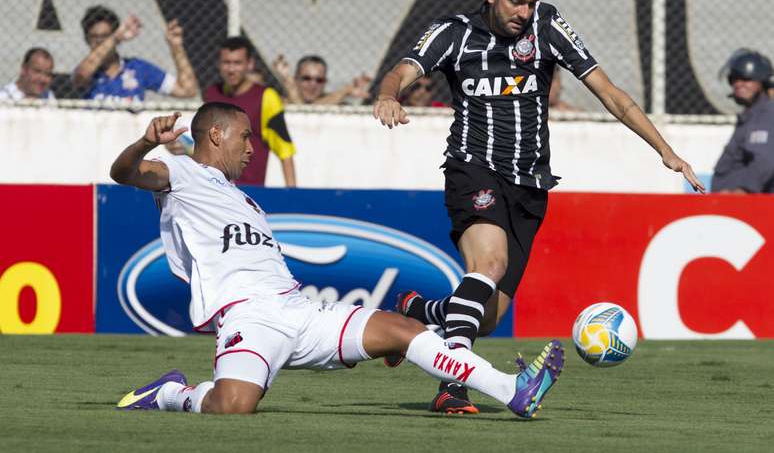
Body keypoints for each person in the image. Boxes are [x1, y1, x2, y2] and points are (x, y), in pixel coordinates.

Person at [374, 0, 705, 414]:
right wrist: (389, 94)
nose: (523, 13)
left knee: (487, 317)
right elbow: (404, 68)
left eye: (531, 3)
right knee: (488, 263)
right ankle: (453, 386)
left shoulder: (546, 26)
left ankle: (416, 311)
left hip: (530, 186)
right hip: (474, 169)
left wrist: (663, 149)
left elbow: (608, 90)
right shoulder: (454, 33)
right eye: (515, 2)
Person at [110, 104, 565, 417]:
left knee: (405, 330)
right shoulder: (184, 174)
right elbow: (125, 173)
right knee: (233, 407)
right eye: (246, 137)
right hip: (249, 318)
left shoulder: (246, 202)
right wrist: (144, 142)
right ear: (216, 133)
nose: (252, 148)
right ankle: (170, 393)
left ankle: (512, 389)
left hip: (298, 309)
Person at [204, 37, 296, 187]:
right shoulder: (212, 94)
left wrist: (293, 196)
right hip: (213, 189)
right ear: (218, 64)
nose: (231, 69)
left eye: (237, 63)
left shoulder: (267, 97)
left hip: (249, 193)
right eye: (226, 63)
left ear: (250, 64)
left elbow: (285, 150)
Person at [73, 5, 198, 103]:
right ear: (86, 39)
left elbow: (187, 90)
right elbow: (82, 75)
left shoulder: (138, 68)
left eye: (105, 36)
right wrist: (115, 38)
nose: (100, 41)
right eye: (94, 37)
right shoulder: (86, 70)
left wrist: (176, 47)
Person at [711, 49, 774, 193]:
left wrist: (742, 191)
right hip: (735, 208)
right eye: (734, 79)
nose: (738, 84)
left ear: (762, 82)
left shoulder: (766, 114)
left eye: (746, 79)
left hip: (749, 208)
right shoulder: (751, 115)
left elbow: (765, 161)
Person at [272, 54, 371, 105]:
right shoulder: (279, 102)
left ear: (325, 83)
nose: (313, 84)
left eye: (319, 80)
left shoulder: (339, 106)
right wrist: (345, 91)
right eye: (306, 78)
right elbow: (304, 111)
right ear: (296, 79)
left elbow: (308, 112)